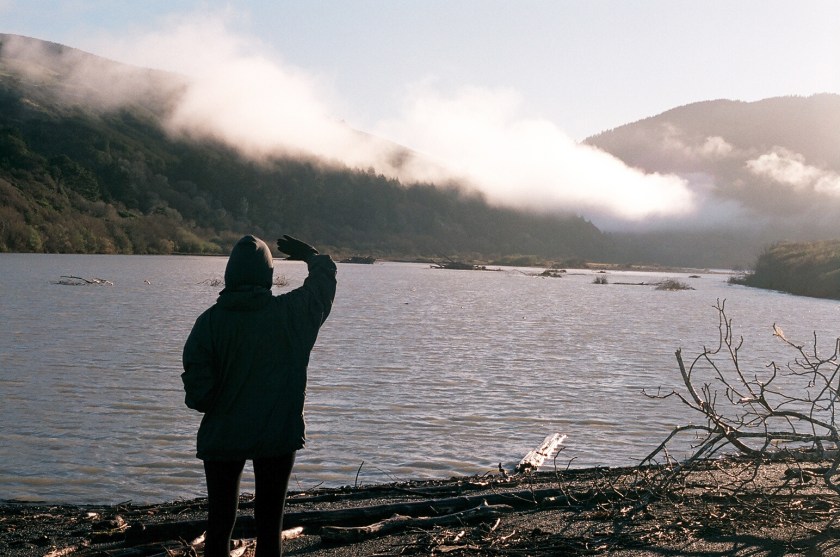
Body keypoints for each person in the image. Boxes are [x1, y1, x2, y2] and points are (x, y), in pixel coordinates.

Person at [182, 234, 336, 557]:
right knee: (270, 525)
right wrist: (311, 255)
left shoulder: (207, 325)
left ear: (229, 275)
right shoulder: (291, 315)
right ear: (268, 276)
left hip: (223, 436)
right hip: (277, 435)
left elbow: (199, 396)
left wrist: (225, 402)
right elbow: (322, 286)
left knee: (220, 522)